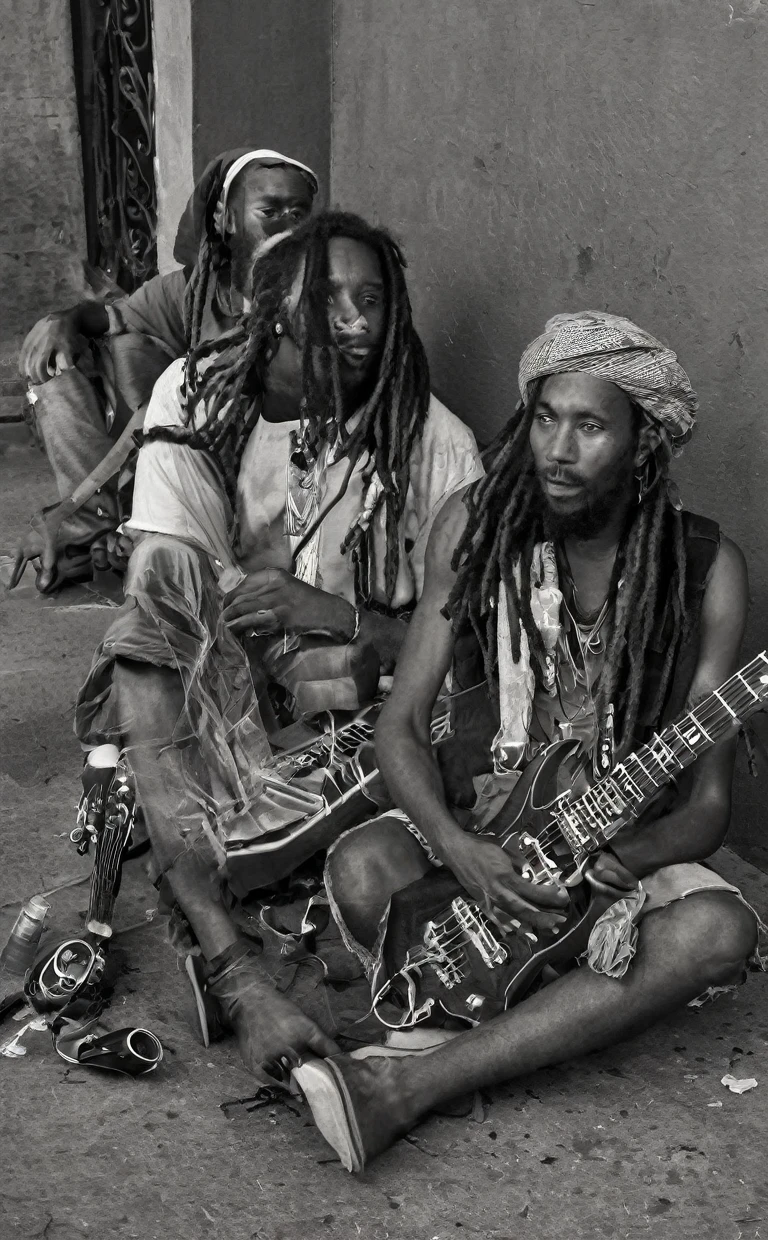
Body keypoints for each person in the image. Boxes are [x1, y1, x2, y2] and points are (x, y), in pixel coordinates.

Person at [292, 310, 763, 1172]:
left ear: (643, 443)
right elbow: (402, 723)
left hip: (613, 851)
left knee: (718, 932)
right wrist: (461, 851)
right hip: (489, 825)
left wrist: (635, 852)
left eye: (590, 426)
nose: (557, 448)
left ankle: (411, 1082)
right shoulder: (475, 527)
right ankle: (553, 1011)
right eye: (546, 418)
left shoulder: (706, 569)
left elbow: (709, 808)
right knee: (363, 871)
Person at [74, 209, 482, 1078]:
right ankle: (239, 974)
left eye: (372, 299)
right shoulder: (197, 397)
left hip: (351, 715)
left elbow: (473, 651)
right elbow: (166, 579)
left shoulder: (437, 446)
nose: (356, 320)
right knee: (149, 625)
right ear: (270, 312)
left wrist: (328, 615)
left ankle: (213, 892)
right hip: (218, 692)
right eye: (327, 299)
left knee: (391, 728)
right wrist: (241, 637)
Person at [15, 147, 318, 591]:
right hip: (182, 463)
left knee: (183, 388)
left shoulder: (320, 297)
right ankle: (98, 531)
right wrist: (66, 320)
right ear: (224, 220)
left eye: (300, 213)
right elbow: (115, 317)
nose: (288, 228)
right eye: (270, 211)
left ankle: (119, 535)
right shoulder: (198, 290)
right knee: (69, 368)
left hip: (268, 480)